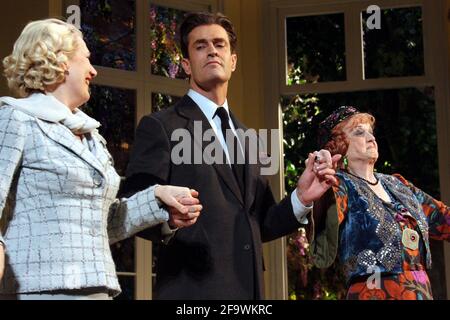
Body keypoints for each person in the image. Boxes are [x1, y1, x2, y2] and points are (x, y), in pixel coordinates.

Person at [120, 12, 339, 300]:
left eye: (220, 44)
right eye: (200, 46)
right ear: (186, 64)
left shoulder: (248, 137)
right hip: (190, 293)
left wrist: (301, 198)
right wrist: (169, 220)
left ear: (233, 61)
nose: (212, 50)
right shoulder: (161, 126)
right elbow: (133, 205)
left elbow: (261, 223)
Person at [0, 18, 202, 300]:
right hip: (38, 288)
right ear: (60, 61)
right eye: (86, 59)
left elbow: (105, 223)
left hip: (97, 288)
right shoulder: (16, 119)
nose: (93, 70)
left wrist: (159, 199)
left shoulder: (91, 136)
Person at [311, 106, 450, 300]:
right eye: (360, 132)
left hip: (420, 291)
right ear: (338, 146)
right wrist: (324, 177)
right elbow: (326, 211)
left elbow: (444, 219)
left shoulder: (398, 185)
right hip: (373, 291)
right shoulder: (339, 185)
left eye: (371, 132)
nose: (371, 138)